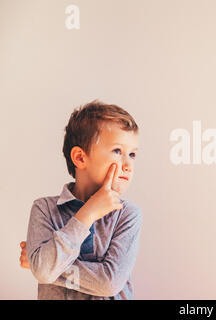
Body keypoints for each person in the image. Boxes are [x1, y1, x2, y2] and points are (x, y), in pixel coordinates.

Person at [19, 100, 142, 300]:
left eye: (133, 154)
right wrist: (88, 214)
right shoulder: (44, 209)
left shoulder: (128, 215)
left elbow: (109, 283)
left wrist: (44, 267)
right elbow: (43, 270)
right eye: (117, 151)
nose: (128, 164)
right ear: (80, 158)